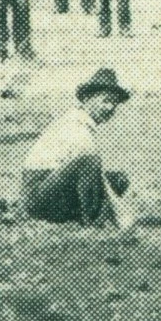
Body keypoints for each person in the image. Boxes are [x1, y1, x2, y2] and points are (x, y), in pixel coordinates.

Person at [20, 68, 131, 225]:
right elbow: (90, 170)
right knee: (90, 161)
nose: (110, 107)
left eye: (114, 103)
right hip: (37, 198)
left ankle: (81, 217)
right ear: (87, 99)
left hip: (54, 189)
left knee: (118, 179)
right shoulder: (75, 124)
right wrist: (122, 219)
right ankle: (93, 222)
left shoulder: (84, 123)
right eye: (105, 101)